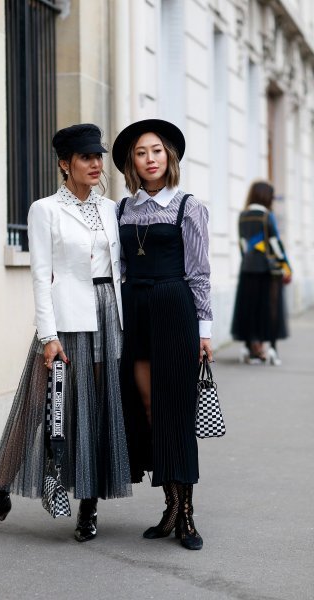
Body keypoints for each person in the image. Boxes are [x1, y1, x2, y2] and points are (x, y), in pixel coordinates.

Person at [0, 124, 131, 542]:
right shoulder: (45, 210)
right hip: (65, 319)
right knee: (35, 406)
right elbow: (40, 278)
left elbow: (118, 268)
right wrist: (47, 336)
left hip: (108, 314)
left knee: (97, 410)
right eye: (85, 157)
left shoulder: (111, 208)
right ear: (64, 163)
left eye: (98, 157)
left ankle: (88, 507)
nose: (95, 164)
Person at [112, 119, 213, 550]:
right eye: (141, 152)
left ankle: (186, 514)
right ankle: (169, 504)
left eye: (156, 150)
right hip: (134, 312)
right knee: (148, 409)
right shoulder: (122, 208)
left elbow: (200, 273)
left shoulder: (188, 206)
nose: (150, 159)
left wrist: (204, 330)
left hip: (174, 310)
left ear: (168, 157)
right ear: (132, 162)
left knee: (176, 410)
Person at [231, 180, 292, 366]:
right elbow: (275, 244)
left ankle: (250, 349)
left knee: (249, 308)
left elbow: (242, 245)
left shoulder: (242, 216)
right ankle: (272, 348)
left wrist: (247, 260)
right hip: (267, 271)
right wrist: (286, 265)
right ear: (267, 197)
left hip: (247, 269)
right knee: (270, 310)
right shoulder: (267, 216)